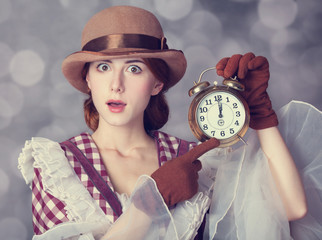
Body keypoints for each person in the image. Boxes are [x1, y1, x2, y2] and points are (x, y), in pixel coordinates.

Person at [18, 5, 321, 240]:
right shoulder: (58, 166)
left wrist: (260, 113)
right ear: (88, 79)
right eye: (103, 67)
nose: (116, 85)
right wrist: (152, 199)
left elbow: (292, 208)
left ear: (157, 83)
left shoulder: (193, 159)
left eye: (134, 68)